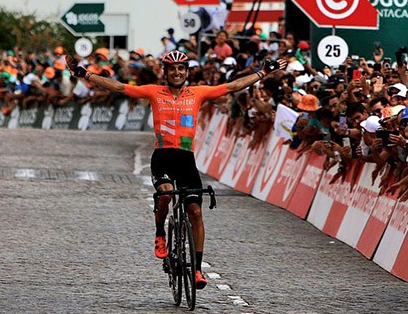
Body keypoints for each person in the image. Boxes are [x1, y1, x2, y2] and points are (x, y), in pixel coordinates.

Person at [65, 50, 286, 289]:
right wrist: (86, 74)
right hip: (162, 158)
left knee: (196, 212)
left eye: (181, 68)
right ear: (166, 72)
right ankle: (160, 232)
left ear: (187, 71)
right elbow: (118, 87)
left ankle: (198, 270)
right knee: (167, 193)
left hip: (186, 160)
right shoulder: (153, 92)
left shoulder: (198, 93)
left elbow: (232, 86)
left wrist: (263, 72)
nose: (177, 72)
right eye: (172, 69)